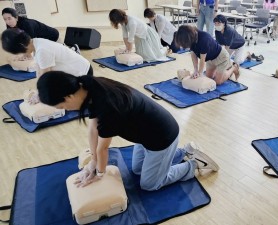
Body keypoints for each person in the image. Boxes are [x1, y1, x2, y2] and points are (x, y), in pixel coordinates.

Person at [36, 71, 219, 189]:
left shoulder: (106, 105)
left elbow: (103, 148)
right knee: (137, 170)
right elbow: (93, 130)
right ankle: (186, 150)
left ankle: (194, 165)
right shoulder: (87, 87)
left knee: (149, 184)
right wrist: (92, 162)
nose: (66, 110)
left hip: (162, 137)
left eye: (62, 106)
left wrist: (99, 174)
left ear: (68, 97)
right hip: (145, 136)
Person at [1, 29, 92, 78]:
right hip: (77, 69)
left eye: (18, 52)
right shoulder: (35, 42)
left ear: (21, 45)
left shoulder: (42, 50)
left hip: (83, 73)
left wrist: (39, 94)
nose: (21, 55)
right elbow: (39, 71)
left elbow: (46, 77)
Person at [175, 25, 239, 85]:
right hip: (209, 59)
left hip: (221, 57)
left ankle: (233, 68)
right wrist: (195, 70)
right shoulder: (191, 38)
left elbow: (202, 60)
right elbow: (193, 53)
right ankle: (219, 71)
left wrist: (199, 74)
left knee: (217, 82)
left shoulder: (204, 38)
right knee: (209, 78)